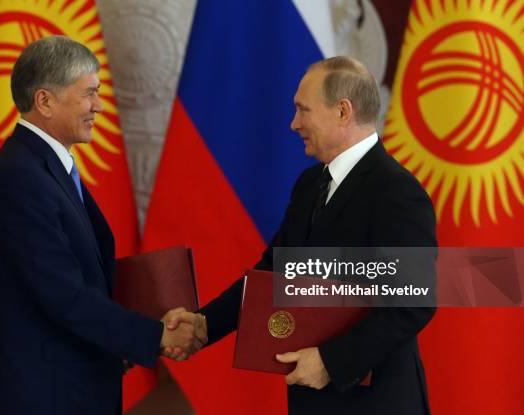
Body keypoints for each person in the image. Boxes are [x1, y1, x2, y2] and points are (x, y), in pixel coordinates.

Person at [165, 56, 437, 414]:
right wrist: (205, 323)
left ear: (343, 111)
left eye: (303, 110)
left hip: (375, 401)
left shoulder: (397, 191)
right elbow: (274, 274)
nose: (294, 124)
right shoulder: (310, 185)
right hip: (312, 398)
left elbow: (413, 301)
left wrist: (330, 361)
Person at [0, 36, 205, 415]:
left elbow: (82, 277)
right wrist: (157, 335)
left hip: (70, 386)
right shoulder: (20, 179)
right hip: (38, 396)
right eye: (89, 94)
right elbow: (64, 296)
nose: (98, 106)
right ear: (44, 101)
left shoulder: (45, 167)